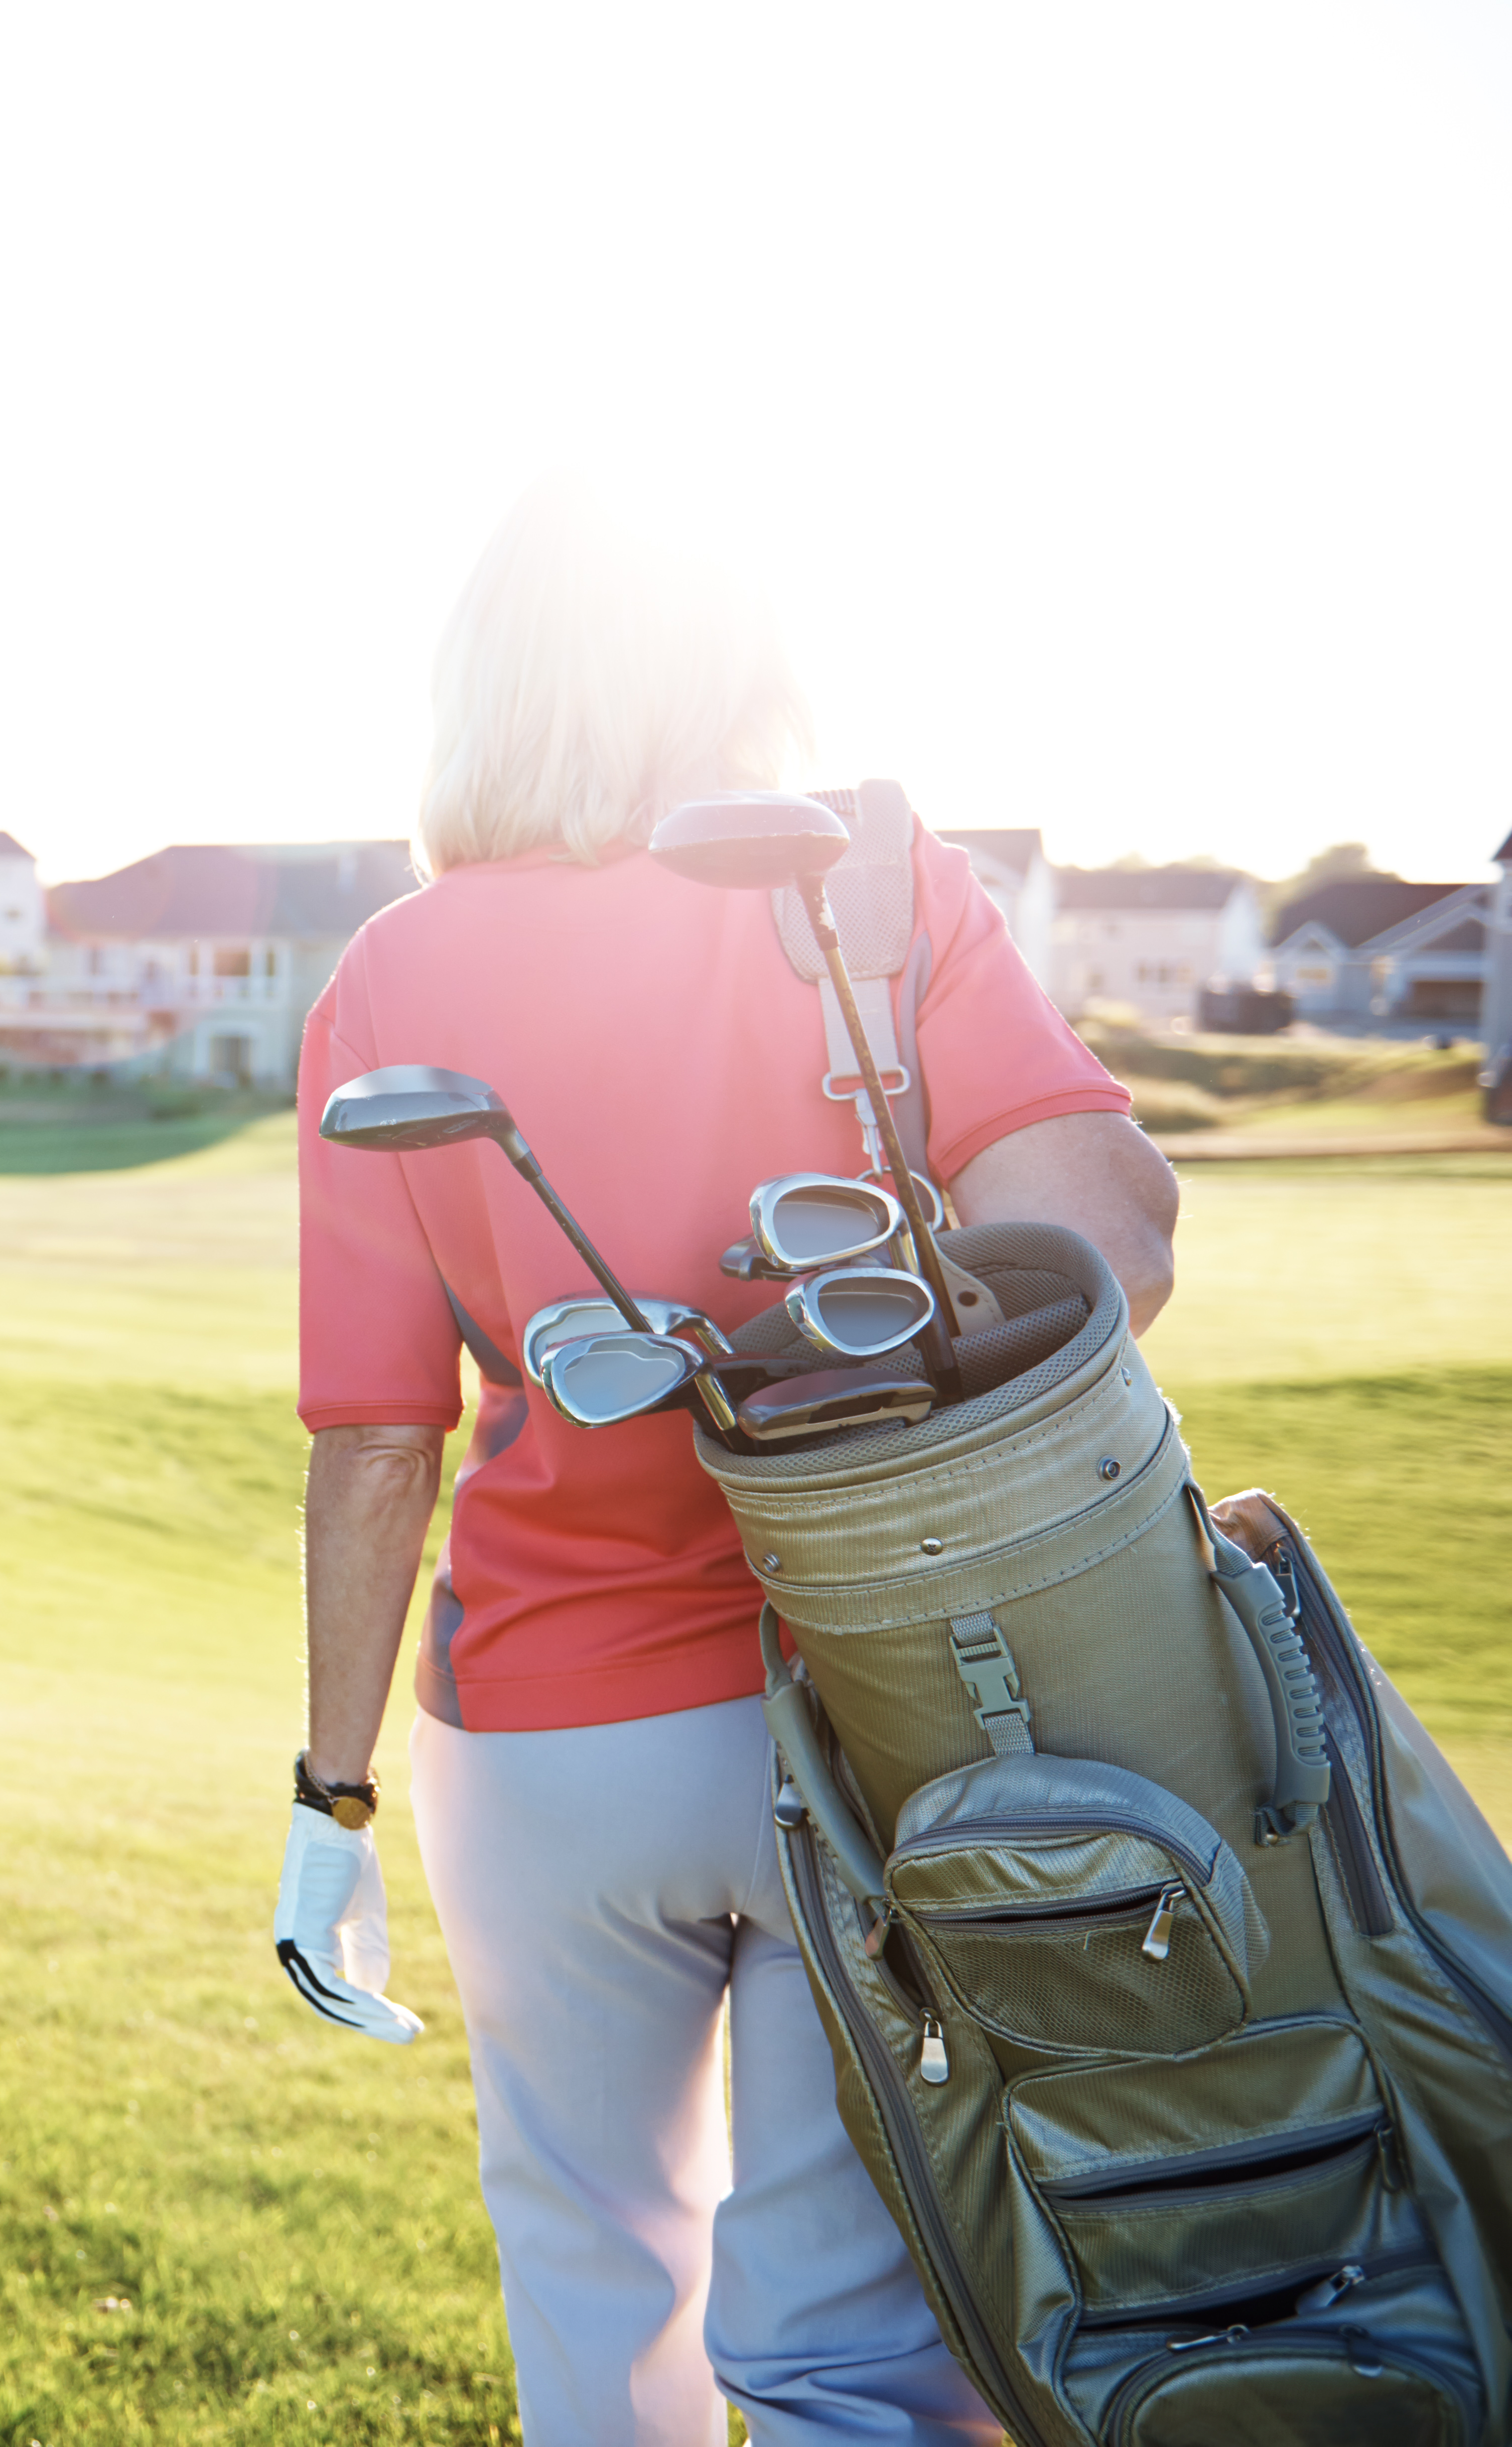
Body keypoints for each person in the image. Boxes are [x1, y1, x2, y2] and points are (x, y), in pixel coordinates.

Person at [272, 481, 1182, 2446]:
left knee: (596, 2294)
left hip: (543, 1744)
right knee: (854, 2350)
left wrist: (327, 1798)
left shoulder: (389, 973)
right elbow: (1113, 1238)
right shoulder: (857, 884)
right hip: (871, 1705)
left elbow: (371, 1440)